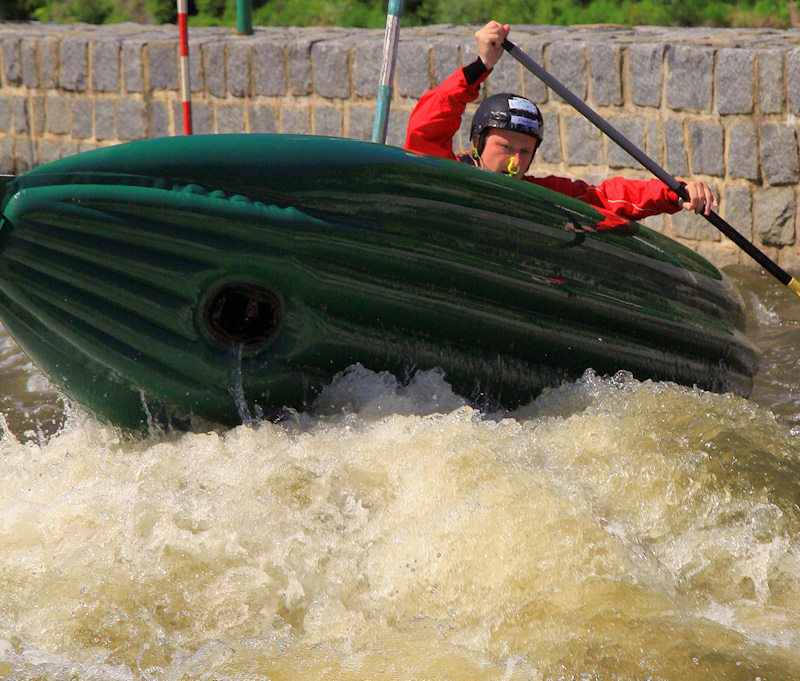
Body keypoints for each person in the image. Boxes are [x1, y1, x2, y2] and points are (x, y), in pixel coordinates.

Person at [404, 20, 718, 230]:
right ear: (477, 144)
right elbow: (426, 126)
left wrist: (674, 192)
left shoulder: (541, 193)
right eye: (505, 146)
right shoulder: (444, 172)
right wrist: (482, 65)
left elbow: (607, 197)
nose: (515, 160)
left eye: (525, 151)